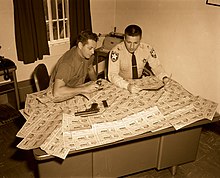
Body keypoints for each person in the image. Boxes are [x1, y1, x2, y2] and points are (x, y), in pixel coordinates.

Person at [108, 24, 169, 93]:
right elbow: (113, 74)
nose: (132, 46)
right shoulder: (116, 52)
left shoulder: (147, 49)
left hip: (140, 82)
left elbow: (156, 66)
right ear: (124, 38)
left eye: (136, 43)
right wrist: (127, 86)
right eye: (129, 42)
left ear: (140, 39)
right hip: (122, 83)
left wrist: (164, 77)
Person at [49, 30, 101, 101]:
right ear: (80, 45)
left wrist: (96, 84)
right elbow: (57, 92)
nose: (93, 52)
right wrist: (84, 89)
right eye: (90, 48)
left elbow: (90, 69)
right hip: (61, 92)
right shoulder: (67, 63)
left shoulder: (87, 55)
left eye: (94, 49)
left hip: (76, 88)